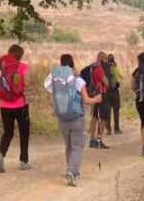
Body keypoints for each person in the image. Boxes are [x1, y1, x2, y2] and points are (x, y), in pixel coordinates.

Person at [45, 53, 102, 187]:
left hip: (61, 117)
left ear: (61, 63)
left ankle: (71, 170)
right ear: (72, 63)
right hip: (76, 118)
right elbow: (87, 101)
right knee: (77, 147)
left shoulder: (56, 79)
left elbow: (48, 88)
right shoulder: (78, 80)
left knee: (69, 146)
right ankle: (72, 171)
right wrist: (97, 99)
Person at [0, 44, 30, 172]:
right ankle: (24, 161)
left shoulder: (1, 67)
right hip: (21, 105)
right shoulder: (23, 67)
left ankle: (1, 154)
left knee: (8, 133)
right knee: (24, 132)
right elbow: (27, 84)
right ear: (20, 55)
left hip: (4, 105)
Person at [83, 51, 111, 149]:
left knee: (94, 117)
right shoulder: (99, 69)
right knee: (103, 118)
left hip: (93, 94)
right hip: (101, 95)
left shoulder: (91, 67)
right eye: (106, 59)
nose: (107, 61)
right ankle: (99, 140)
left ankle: (92, 140)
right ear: (102, 58)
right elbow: (107, 83)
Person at [104, 53, 123, 135]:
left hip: (106, 91)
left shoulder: (104, 68)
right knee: (116, 110)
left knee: (107, 111)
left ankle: (108, 129)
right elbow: (120, 77)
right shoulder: (115, 66)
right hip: (115, 91)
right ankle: (117, 129)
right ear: (113, 59)